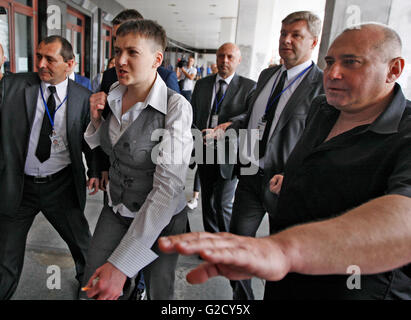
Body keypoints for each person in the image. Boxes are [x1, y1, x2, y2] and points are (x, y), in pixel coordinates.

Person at [159, 22, 411, 300]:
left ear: (394, 70)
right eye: (330, 62)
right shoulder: (323, 108)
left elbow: (404, 220)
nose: (333, 73)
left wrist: (285, 250)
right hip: (287, 273)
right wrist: (293, 177)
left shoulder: (405, 131)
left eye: (351, 63)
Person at [212, 11, 324, 300]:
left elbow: (319, 141)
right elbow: (254, 115)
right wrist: (232, 124)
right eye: (283, 33)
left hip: (284, 184)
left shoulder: (321, 87)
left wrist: (296, 175)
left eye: (296, 35)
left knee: (281, 258)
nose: (286, 40)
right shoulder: (267, 75)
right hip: (249, 176)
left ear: (313, 42)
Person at [81, 19, 193, 300]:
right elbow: (110, 149)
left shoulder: (176, 107)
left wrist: (121, 266)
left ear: (157, 59)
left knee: (159, 293)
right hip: (116, 207)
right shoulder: (115, 95)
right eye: (117, 50)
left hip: (161, 219)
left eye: (132, 52)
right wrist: (96, 121)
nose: (120, 60)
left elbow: (167, 190)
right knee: (93, 286)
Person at [0, 35, 100, 300]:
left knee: (83, 247)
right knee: (5, 256)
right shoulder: (13, 85)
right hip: (19, 186)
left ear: (70, 64)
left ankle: (90, 291)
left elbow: (89, 139)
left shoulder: (83, 98)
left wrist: (96, 170)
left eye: (50, 59)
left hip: (62, 186)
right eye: (38, 57)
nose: (41, 64)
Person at [191, 43, 255, 233]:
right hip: (205, 149)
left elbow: (250, 115)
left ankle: (226, 245)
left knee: (223, 202)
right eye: (220, 56)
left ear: (238, 61)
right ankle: (212, 242)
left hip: (230, 153)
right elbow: (193, 114)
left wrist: (230, 125)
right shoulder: (202, 84)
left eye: (229, 57)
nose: (224, 61)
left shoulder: (249, 87)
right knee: (207, 200)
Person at [99, 10, 180, 97]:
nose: (117, 43)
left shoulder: (166, 79)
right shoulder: (108, 76)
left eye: (125, 34)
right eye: (115, 38)